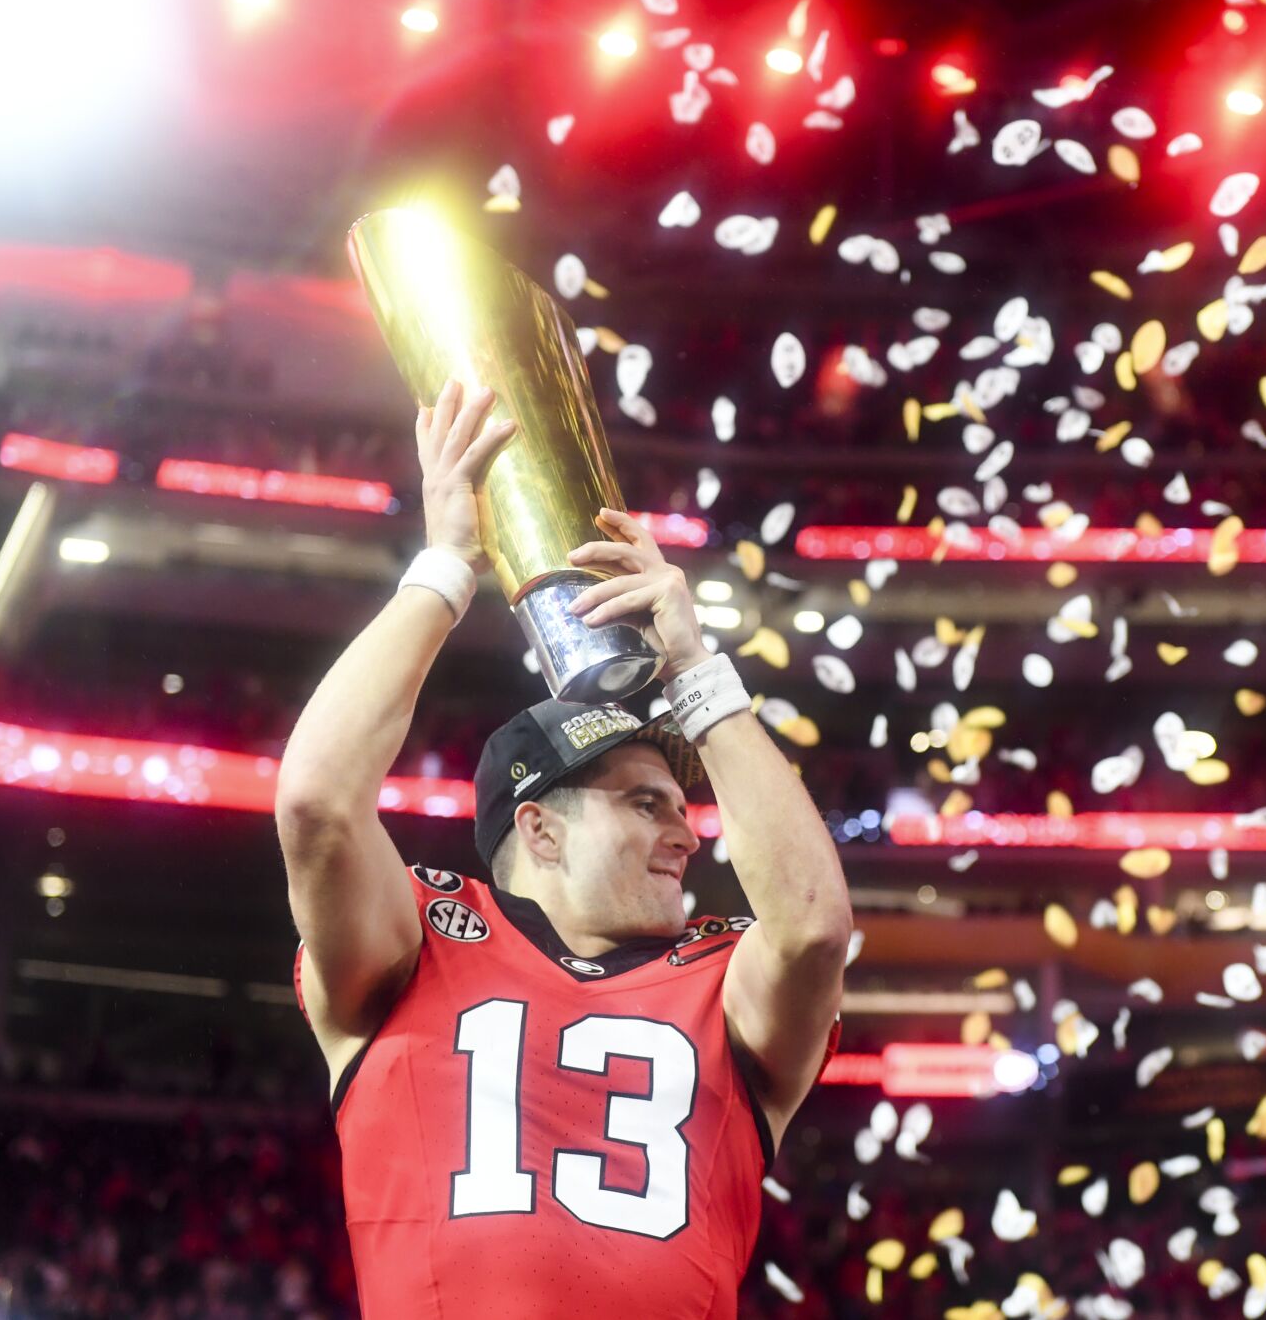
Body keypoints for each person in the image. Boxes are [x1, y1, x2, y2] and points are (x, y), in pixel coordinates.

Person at [274, 379, 853, 1317]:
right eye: (644, 802)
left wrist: (698, 670)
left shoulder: (720, 975)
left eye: (682, 807)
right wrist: (444, 566)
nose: (685, 833)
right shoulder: (421, 939)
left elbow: (816, 928)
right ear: (538, 825)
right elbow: (315, 803)